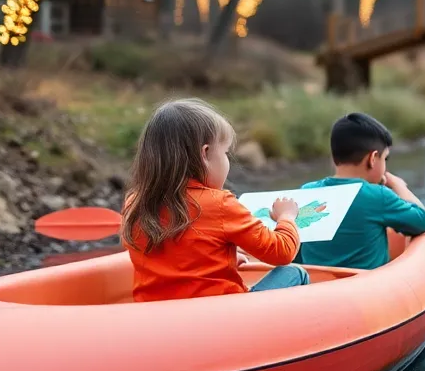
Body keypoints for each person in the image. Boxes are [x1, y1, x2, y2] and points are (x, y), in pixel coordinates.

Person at [122, 98, 309, 302]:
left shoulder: (135, 202)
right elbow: (281, 252)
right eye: (226, 152)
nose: (227, 160)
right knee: (294, 273)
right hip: (221, 317)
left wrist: (223, 258)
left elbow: (176, 256)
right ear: (205, 154)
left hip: (158, 316)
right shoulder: (220, 204)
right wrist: (286, 217)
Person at [297, 112, 425, 270]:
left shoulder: (307, 192)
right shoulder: (378, 196)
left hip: (314, 288)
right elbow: (422, 220)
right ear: (373, 159)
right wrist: (399, 186)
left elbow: (298, 251)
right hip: (367, 290)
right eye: (385, 159)